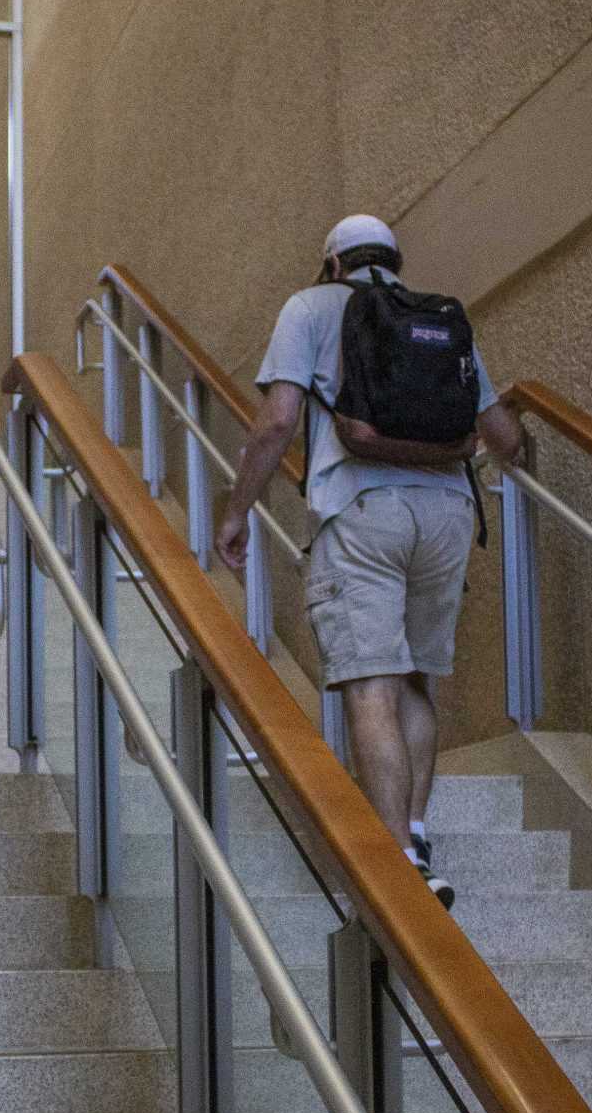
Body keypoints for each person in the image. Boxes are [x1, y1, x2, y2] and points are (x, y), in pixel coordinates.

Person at [213, 214, 527, 909]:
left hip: (361, 512)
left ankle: (393, 868)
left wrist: (235, 512)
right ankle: (415, 833)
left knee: (369, 682)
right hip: (446, 513)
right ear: (394, 259)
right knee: (418, 679)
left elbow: (276, 421)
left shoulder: (311, 307)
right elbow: (501, 433)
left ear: (331, 263)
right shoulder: (437, 317)